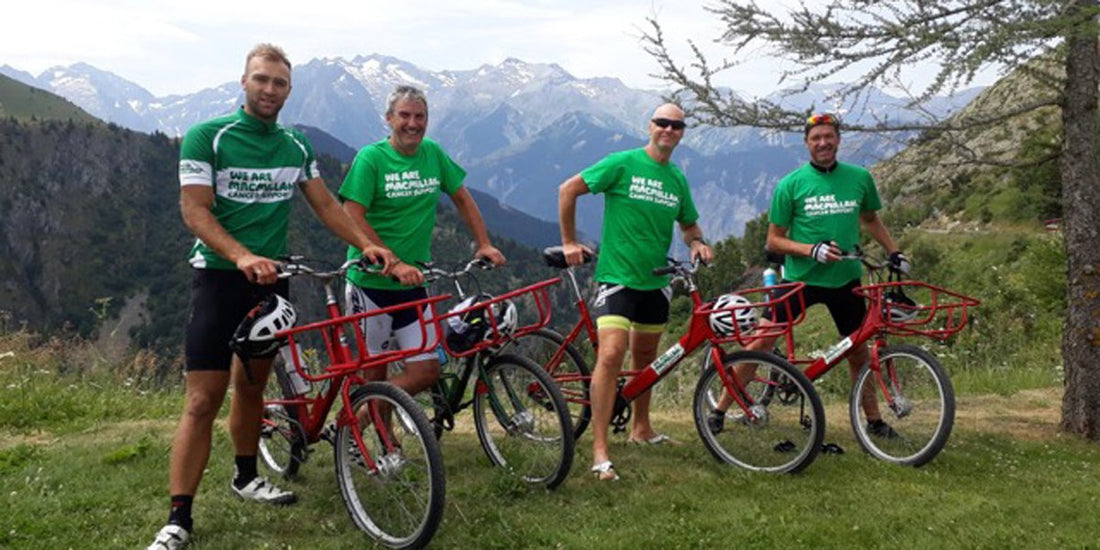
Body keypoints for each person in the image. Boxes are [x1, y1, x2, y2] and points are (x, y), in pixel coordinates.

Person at [148, 44, 390, 550]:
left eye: (279, 83)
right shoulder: (208, 137)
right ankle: (178, 518)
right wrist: (239, 256)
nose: (269, 90)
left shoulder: (295, 146)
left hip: (271, 284)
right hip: (219, 279)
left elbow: (324, 204)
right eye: (261, 79)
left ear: (288, 91)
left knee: (253, 386)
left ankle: (245, 476)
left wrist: (367, 243)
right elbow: (195, 211)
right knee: (202, 400)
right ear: (243, 81)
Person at [706, 112, 911, 440]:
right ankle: (719, 410)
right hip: (800, 278)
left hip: (845, 279)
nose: (823, 143)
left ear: (838, 139)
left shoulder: (859, 178)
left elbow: (870, 218)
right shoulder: (791, 184)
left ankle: (874, 421)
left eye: (828, 136)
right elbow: (773, 240)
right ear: (806, 144)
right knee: (762, 342)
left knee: (859, 351)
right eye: (816, 138)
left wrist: (894, 251)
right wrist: (810, 249)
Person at [559, 103, 714, 481]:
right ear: (650, 126)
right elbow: (568, 189)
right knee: (611, 355)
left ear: (682, 132)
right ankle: (599, 451)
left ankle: (641, 429)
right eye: (662, 122)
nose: (668, 129)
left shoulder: (676, 179)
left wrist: (696, 243)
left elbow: (689, 225)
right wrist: (568, 242)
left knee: (646, 360)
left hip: (657, 282)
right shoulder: (622, 162)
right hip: (617, 277)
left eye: (676, 125)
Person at [338, 85, 505, 401]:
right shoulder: (371, 159)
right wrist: (393, 263)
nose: (412, 124)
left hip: (414, 284)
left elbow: (462, 198)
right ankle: (383, 447)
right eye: (404, 115)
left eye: (420, 117)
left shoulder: (433, 153)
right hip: (370, 285)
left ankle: (356, 422)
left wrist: (483, 243)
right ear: (389, 118)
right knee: (376, 372)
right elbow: (351, 216)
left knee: (426, 371)